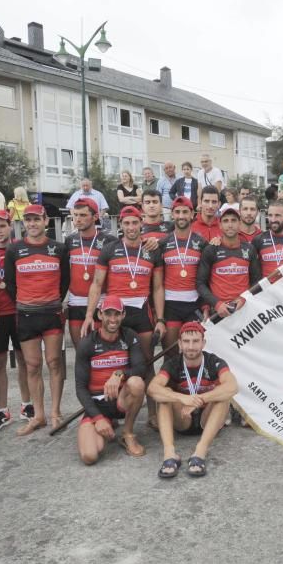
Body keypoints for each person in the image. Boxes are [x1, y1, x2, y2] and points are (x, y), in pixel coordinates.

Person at [82, 206, 166, 449]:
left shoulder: (152, 250)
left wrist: (160, 318)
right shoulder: (109, 249)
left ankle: (151, 415)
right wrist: (90, 315)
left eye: (135, 223)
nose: (131, 227)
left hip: (140, 310)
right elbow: (97, 284)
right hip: (113, 311)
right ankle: (103, 409)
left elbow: (158, 288)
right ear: (122, 225)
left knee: (147, 364)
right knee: (106, 359)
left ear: (141, 224)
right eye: (127, 223)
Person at [2, 204, 70, 435]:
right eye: (28, 220)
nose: (32, 224)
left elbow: (65, 282)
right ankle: (39, 415)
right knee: (32, 366)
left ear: (45, 221)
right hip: (26, 315)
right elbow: (10, 285)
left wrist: (50, 301)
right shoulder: (14, 249)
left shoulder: (58, 249)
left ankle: (56, 413)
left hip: (51, 315)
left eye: (36, 219)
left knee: (54, 363)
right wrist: (27, 302)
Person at [148, 321, 238, 478]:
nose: (191, 346)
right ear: (180, 344)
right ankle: (169, 454)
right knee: (164, 394)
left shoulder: (213, 361)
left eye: (196, 341)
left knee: (223, 395)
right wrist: (182, 398)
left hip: (207, 420)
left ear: (203, 343)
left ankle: (200, 452)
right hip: (183, 420)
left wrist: (199, 399)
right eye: (186, 342)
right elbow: (152, 388)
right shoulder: (173, 364)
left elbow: (233, 386)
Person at [74, 295, 147, 464]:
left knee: (137, 383)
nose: (112, 319)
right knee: (89, 456)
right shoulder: (87, 343)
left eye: (117, 314)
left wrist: (119, 373)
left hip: (121, 399)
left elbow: (141, 368)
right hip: (98, 403)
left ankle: (128, 434)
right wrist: (98, 419)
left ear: (123, 315)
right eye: (108, 314)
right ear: (100, 315)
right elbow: (80, 387)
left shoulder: (130, 336)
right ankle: (106, 424)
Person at [0, 210, 31, 433]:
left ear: (10, 226)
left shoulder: (19, 248)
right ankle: (2, 410)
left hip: (20, 311)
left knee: (25, 360)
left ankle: (27, 405)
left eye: (2, 226)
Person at [158, 196, 208, 356]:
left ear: (192, 214)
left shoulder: (201, 242)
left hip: (194, 304)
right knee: (171, 354)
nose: (181, 216)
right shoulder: (163, 242)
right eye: (177, 212)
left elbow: (207, 278)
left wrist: (205, 306)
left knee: (194, 352)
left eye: (185, 212)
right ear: (172, 214)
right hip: (170, 304)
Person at [65, 198, 115, 350]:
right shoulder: (69, 240)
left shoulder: (109, 240)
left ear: (95, 217)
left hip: (101, 301)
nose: (78, 219)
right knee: (80, 351)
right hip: (76, 302)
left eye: (83, 215)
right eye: (75, 215)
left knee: (102, 351)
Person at [197, 205, 262, 319]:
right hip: (218, 311)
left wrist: (243, 299)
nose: (230, 225)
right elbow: (200, 283)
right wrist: (217, 304)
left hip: (244, 309)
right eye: (226, 221)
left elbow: (256, 281)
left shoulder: (249, 249)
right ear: (220, 225)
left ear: (239, 224)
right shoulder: (211, 249)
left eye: (233, 220)